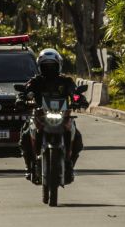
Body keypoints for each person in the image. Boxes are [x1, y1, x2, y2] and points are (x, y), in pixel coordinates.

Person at [17, 48, 84, 183]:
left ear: (58, 65)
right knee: (25, 135)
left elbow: (74, 93)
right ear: (40, 67)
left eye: (52, 66)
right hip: (40, 116)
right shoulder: (35, 81)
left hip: (63, 116)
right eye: (45, 66)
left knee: (77, 138)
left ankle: (70, 166)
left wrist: (79, 100)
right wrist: (21, 99)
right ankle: (29, 167)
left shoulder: (66, 81)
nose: (49, 69)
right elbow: (25, 91)